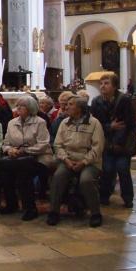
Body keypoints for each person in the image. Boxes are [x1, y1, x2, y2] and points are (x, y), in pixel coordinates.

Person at [49, 96, 105, 227]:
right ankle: (54, 212)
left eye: (70, 104)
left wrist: (84, 162)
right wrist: (66, 159)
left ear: (80, 108)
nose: (66, 107)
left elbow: (97, 147)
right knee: (58, 177)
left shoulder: (94, 123)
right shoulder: (64, 123)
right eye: (67, 104)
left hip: (89, 162)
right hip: (68, 160)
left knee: (86, 180)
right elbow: (58, 145)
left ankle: (95, 213)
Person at [0, 96, 53, 220]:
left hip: (39, 157)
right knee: (5, 171)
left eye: (21, 106)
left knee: (23, 174)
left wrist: (25, 151)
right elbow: (5, 143)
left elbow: (43, 144)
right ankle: (11, 204)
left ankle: (30, 208)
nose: (18, 108)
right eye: (17, 106)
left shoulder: (40, 122)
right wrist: (9, 150)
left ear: (30, 108)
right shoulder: (12, 123)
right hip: (18, 158)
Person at [90, 72, 136, 208]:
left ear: (115, 86)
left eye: (106, 83)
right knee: (107, 170)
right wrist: (109, 127)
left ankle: (128, 198)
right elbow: (95, 124)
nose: (102, 86)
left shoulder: (124, 100)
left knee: (123, 170)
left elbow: (129, 124)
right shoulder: (96, 102)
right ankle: (104, 196)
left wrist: (121, 143)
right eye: (101, 83)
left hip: (122, 143)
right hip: (106, 142)